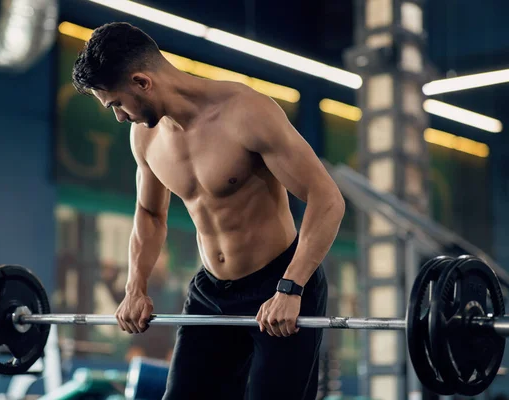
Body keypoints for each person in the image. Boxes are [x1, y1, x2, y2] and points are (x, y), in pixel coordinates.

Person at [72, 22, 345, 400]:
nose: (119, 116)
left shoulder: (245, 113)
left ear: (142, 82)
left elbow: (327, 198)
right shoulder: (145, 136)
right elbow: (150, 214)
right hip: (212, 291)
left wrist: (291, 286)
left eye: (117, 103)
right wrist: (135, 287)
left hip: (280, 283)